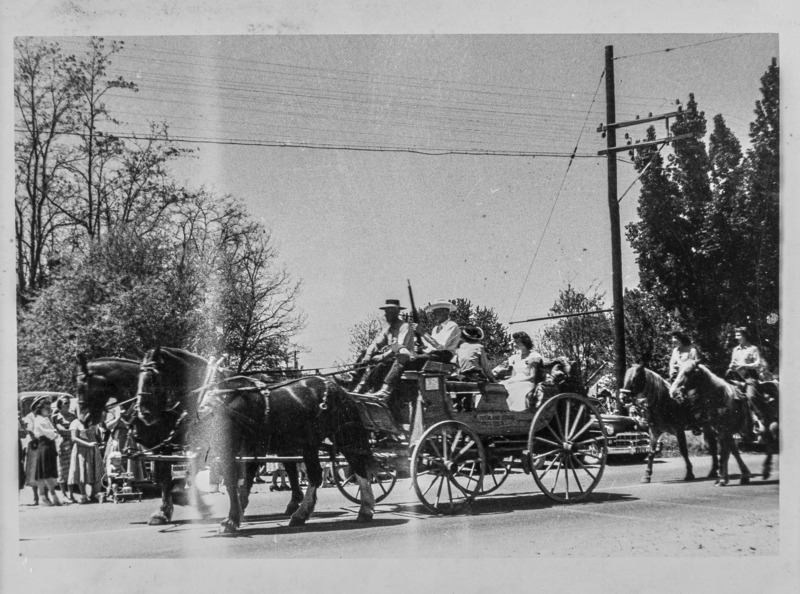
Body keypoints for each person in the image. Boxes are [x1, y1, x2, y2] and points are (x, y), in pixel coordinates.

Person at [355, 299, 416, 398]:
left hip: (403, 361)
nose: (386, 315)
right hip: (390, 359)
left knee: (382, 364)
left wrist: (382, 356)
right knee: (365, 352)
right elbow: (376, 343)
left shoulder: (405, 326)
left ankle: (365, 388)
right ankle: (353, 379)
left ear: (397, 312)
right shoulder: (387, 329)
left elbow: (398, 346)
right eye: (386, 312)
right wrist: (368, 355)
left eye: (389, 312)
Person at [493, 331, 542, 412]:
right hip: (515, 380)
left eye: (518, 342)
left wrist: (515, 380)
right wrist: (509, 380)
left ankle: (518, 413)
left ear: (525, 342)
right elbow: (513, 375)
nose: (515, 344)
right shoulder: (515, 357)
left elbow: (532, 376)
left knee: (515, 388)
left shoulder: (533, 356)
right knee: (501, 385)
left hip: (527, 382)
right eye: (515, 342)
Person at [30, 396, 64, 506]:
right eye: (46, 406)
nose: (49, 408)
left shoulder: (46, 419)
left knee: (45, 472)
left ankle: (44, 497)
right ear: (40, 408)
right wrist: (54, 432)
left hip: (49, 446)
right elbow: (49, 433)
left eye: (49, 405)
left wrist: (54, 432)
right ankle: (51, 497)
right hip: (44, 446)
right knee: (45, 472)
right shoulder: (39, 419)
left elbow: (52, 432)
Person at [69, 414, 104, 503]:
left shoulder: (91, 423)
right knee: (82, 472)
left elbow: (97, 436)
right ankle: (83, 495)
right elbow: (73, 438)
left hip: (93, 449)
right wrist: (87, 444)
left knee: (96, 471)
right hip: (81, 450)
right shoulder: (75, 423)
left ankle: (95, 494)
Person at [52, 396, 78, 503]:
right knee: (63, 470)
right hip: (62, 445)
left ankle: (71, 494)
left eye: (68, 403)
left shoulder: (73, 416)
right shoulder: (56, 417)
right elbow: (62, 430)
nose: (67, 405)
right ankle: (63, 494)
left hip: (72, 444)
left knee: (72, 469)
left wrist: (73, 431)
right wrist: (73, 431)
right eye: (65, 403)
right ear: (60, 405)